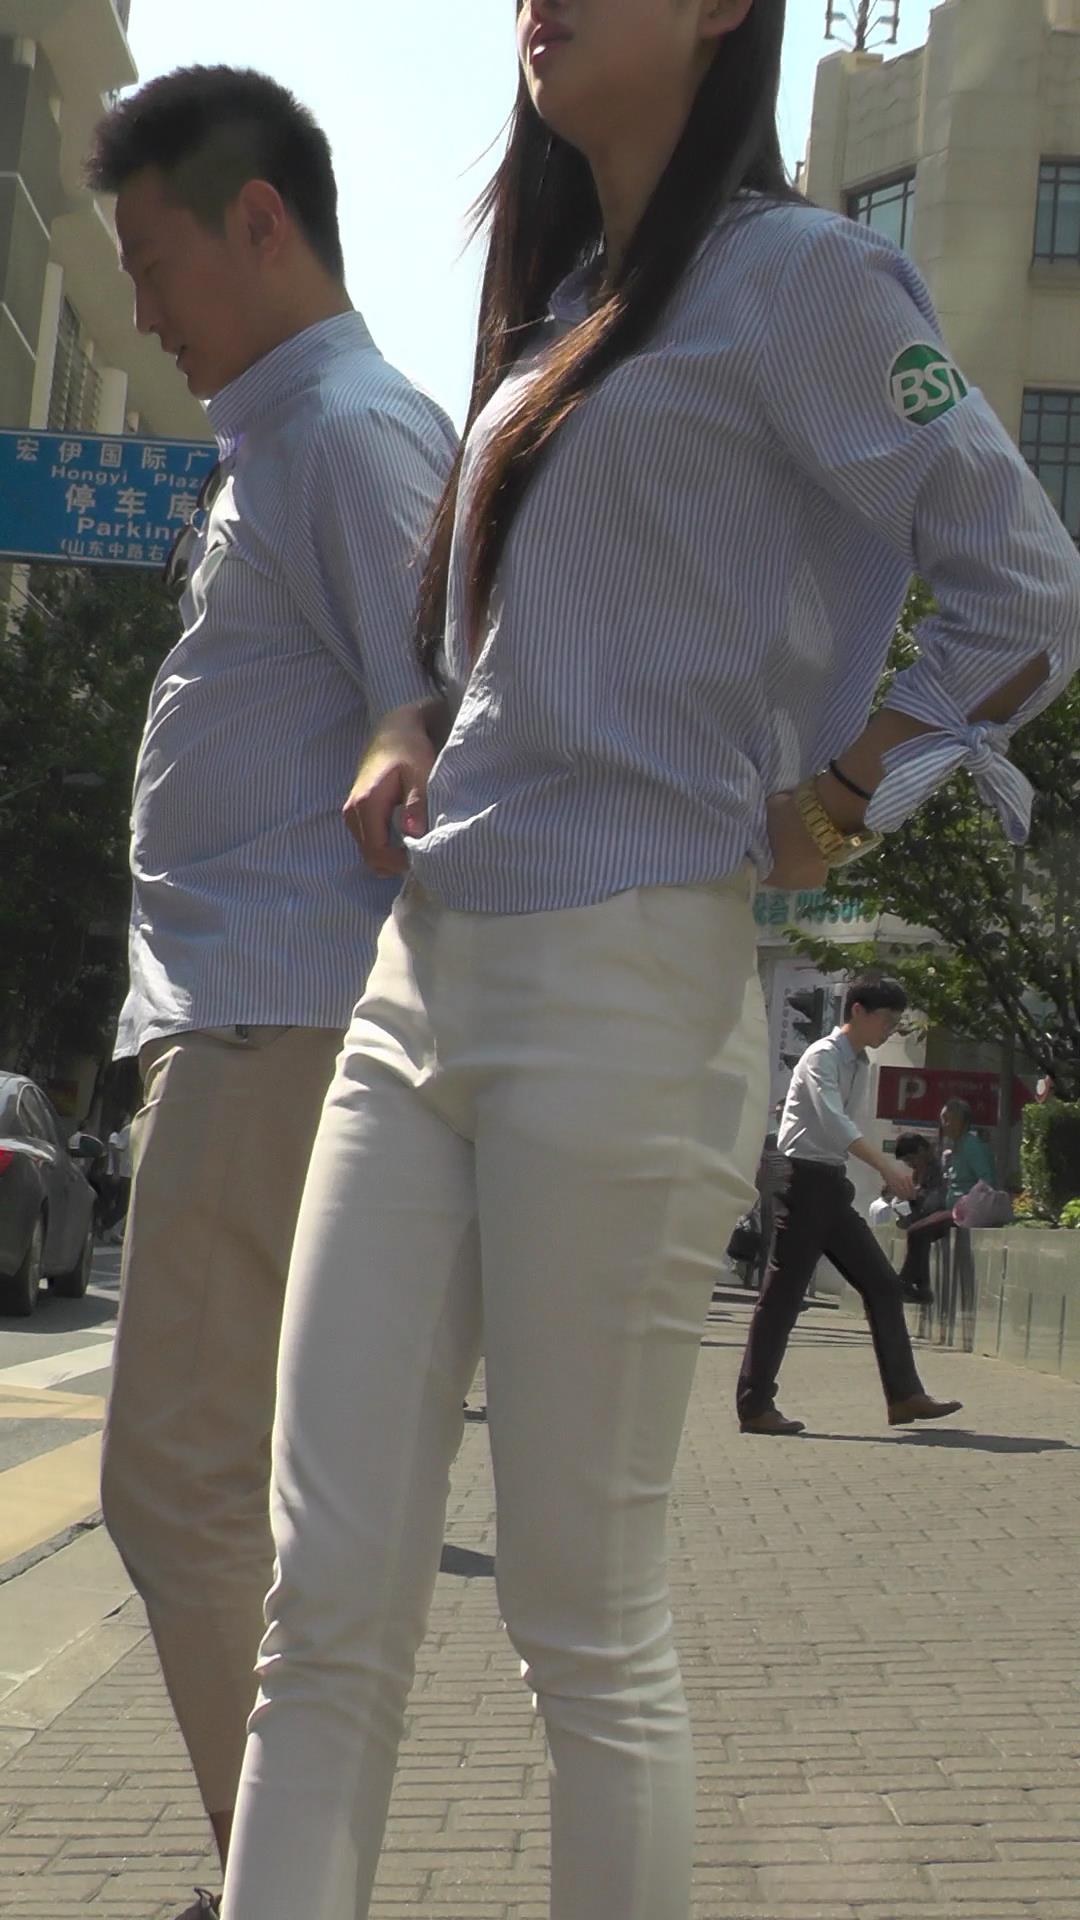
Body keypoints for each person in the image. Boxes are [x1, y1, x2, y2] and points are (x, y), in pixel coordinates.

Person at [220, 5, 1080, 1917]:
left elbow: (1028, 584)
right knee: (321, 1604)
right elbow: (514, 661)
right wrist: (413, 730)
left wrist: (843, 796)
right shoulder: (556, 316)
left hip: (625, 983)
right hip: (419, 981)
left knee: (581, 1631)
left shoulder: (805, 281)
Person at [86, 66, 456, 1920]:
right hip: (256, 1014)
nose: (146, 311)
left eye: (154, 263)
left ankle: (279, 1889)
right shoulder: (294, 440)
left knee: (177, 1480)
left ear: (259, 222)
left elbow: (442, 700)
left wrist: (409, 727)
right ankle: (277, 1876)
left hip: (283, 1012)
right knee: (239, 1492)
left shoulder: (345, 434)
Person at [737, 980, 964, 1434]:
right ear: (858, 1011)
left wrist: (880, 1168)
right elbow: (833, 1121)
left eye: (896, 1022)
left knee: (883, 1286)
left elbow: (846, 1128)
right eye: (886, 1020)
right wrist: (885, 1164)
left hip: (829, 1185)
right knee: (782, 1298)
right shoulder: (822, 1056)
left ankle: (904, 1396)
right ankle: (755, 1406)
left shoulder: (860, 1062)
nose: (890, 1029)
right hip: (802, 1183)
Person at [892, 1130, 952, 1304]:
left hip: (946, 1211)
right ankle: (921, 1286)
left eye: (912, 1159)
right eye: (907, 1162)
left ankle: (907, 1282)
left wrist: (917, 1196)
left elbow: (939, 1196)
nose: (911, 1165)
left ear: (921, 1150)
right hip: (926, 1213)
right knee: (917, 1231)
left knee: (918, 1231)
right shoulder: (919, 1171)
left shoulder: (939, 1165)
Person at [940, 1097, 997, 1206]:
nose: (944, 1124)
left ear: (962, 1121)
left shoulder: (972, 1145)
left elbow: (987, 1182)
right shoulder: (956, 1145)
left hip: (970, 1210)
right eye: (942, 1120)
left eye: (947, 1119)